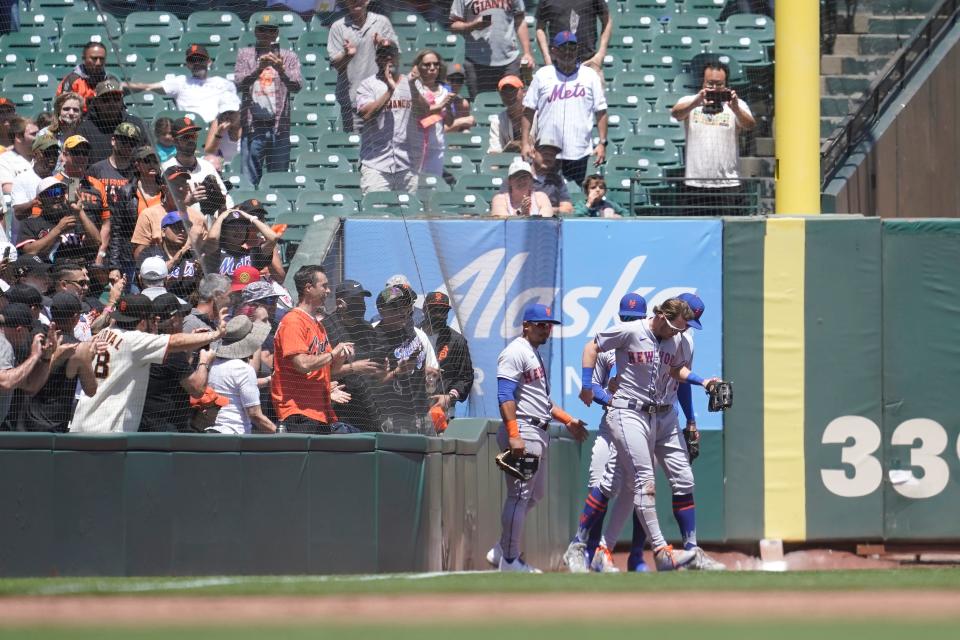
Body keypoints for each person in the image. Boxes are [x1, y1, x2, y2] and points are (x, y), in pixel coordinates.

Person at [577, 297, 724, 571]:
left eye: (685, 327)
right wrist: (588, 386)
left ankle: (610, 552)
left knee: (659, 483)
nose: (680, 332)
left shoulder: (676, 340)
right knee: (615, 484)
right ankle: (586, 548)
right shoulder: (630, 331)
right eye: (678, 326)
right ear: (661, 316)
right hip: (624, 413)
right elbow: (591, 347)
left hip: (657, 417)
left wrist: (702, 382)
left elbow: (675, 372)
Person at [491, 302, 587, 572]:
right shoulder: (514, 352)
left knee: (535, 495)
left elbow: (543, 402)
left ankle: (501, 548)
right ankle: (509, 560)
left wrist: (568, 420)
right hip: (523, 430)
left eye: (549, 326)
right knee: (520, 496)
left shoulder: (533, 353)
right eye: (541, 325)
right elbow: (504, 395)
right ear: (526, 326)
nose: (546, 330)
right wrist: (514, 434)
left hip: (537, 430)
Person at [69, 293, 227, 433]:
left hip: (82, 422)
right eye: (152, 319)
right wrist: (216, 334)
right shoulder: (134, 340)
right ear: (143, 322)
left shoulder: (104, 332)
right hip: (106, 429)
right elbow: (175, 341)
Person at [271, 265, 358, 434]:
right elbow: (302, 364)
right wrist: (332, 354)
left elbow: (330, 369)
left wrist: (340, 356)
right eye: (324, 286)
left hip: (320, 412)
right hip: (298, 412)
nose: (328, 291)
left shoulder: (317, 324)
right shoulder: (293, 322)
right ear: (308, 288)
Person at [522, 31, 608, 187]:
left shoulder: (590, 76)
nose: (568, 52)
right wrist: (525, 143)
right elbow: (528, 110)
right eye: (563, 48)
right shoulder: (542, 75)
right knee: (545, 195)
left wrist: (602, 143)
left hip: (578, 151)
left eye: (572, 48)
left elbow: (601, 111)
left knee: (575, 198)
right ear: (554, 50)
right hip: (547, 152)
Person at [671, 62, 756, 215]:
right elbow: (676, 114)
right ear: (702, 82)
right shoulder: (690, 100)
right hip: (695, 183)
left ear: (726, 84)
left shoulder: (737, 104)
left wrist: (735, 108)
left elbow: (749, 125)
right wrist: (696, 102)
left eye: (719, 84)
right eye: (710, 83)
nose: (715, 88)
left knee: (728, 232)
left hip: (728, 184)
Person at [234, 13, 303, 187]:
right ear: (256, 32)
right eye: (262, 30)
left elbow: (297, 86)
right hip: (253, 125)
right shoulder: (245, 54)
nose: (266, 34)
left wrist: (281, 69)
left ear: (276, 33)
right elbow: (239, 84)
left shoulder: (288, 57)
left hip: (279, 126)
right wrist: (258, 69)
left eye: (271, 30)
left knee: (278, 180)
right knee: (249, 180)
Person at [19, 293, 97, 432]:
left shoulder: (37, 336)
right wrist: (89, 357)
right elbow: (91, 390)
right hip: (53, 428)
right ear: (75, 318)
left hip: (23, 422)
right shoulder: (79, 349)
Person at [370, 283, 440, 434]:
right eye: (395, 307)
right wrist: (397, 372)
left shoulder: (414, 331)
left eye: (405, 306)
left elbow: (432, 367)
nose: (402, 311)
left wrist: (429, 373)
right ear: (382, 311)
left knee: (432, 456)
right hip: (392, 418)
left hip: (422, 413)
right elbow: (371, 387)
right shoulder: (374, 338)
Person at [139, 293, 213, 433]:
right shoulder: (171, 353)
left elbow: (175, 373)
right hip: (166, 430)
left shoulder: (147, 342)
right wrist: (205, 361)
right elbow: (197, 390)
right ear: (174, 319)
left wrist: (189, 347)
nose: (184, 318)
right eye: (182, 315)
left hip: (144, 424)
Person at [321, 279, 384, 432]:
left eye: (362, 299)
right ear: (340, 302)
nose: (361, 304)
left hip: (369, 406)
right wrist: (354, 367)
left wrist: (387, 368)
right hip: (340, 407)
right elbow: (320, 371)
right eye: (355, 300)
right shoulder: (326, 327)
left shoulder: (368, 329)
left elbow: (378, 369)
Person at [356, 43, 419, 195]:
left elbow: (426, 114)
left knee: (411, 216)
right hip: (376, 165)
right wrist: (390, 90)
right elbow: (366, 114)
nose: (389, 57)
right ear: (377, 59)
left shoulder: (411, 83)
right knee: (376, 215)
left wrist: (415, 88)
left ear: (399, 57)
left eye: (392, 53)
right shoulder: (367, 85)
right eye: (384, 54)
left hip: (407, 165)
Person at [124, 44, 240, 125]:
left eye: (201, 59)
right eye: (192, 60)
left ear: (209, 61)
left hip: (217, 130)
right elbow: (148, 86)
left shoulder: (224, 83)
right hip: (190, 129)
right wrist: (121, 85)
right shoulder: (180, 82)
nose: (197, 63)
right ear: (187, 65)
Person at [327, 0, 398, 133]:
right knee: (353, 149)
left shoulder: (382, 22)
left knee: (384, 148)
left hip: (382, 100)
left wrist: (383, 44)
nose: (356, 2)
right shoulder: (338, 27)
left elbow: (396, 58)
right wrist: (347, 55)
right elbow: (337, 65)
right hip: (352, 102)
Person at [449, 0, 535, 100]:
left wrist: (527, 53)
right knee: (479, 106)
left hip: (509, 60)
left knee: (514, 105)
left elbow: (520, 19)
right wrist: (473, 25)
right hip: (476, 63)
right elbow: (453, 26)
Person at [206, 315, 277, 434]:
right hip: (234, 436)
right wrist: (279, 434)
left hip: (212, 431)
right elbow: (255, 414)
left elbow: (234, 389)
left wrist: (268, 381)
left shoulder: (214, 363)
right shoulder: (243, 369)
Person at [131, 166, 209, 264]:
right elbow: (138, 254)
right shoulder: (149, 214)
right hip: (159, 272)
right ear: (164, 188)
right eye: (175, 185)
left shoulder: (198, 217)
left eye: (183, 184)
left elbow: (208, 252)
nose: (180, 188)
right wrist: (153, 247)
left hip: (190, 273)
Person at [19, 175, 102, 264]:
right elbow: (28, 253)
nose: (58, 196)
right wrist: (58, 229)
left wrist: (80, 211)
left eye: (61, 191)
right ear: (40, 200)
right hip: (47, 273)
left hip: (78, 271)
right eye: (52, 193)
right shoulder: (30, 223)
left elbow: (97, 242)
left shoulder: (74, 220)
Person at [160, 117, 232, 215]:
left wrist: (222, 206)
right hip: (180, 226)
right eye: (185, 137)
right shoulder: (166, 168)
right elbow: (162, 207)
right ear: (175, 141)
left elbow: (226, 199)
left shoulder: (207, 167)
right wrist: (189, 201)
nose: (190, 140)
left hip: (208, 226)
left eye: (193, 136)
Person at [0, 303, 57, 427]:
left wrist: (46, 357)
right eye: (29, 330)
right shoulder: (3, 344)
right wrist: (34, 355)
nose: (29, 336)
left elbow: (30, 386)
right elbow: (5, 382)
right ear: (20, 329)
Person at [420, 291, 474, 418]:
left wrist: (450, 397)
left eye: (443, 311)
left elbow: (466, 377)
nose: (439, 314)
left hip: (442, 411)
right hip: (412, 408)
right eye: (434, 309)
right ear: (424, 309)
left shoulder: (456, 340)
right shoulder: (413, 335)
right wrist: (421, 370)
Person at [75, 80, 149, 165]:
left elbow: (146, 155)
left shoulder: (136, 124)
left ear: (121, 101)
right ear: (96, 102)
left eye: (116, 99)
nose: (112, 103)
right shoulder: (85, 128)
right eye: (106, 100)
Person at [535, 0, 612, 74]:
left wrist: (600, 55)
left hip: (588, 64)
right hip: (556, 66)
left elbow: (607, 21)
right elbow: (540, 28)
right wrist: (547, 59)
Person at [9, 134, 59, 242]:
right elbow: (18, 213)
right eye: (48, 153)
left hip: (53, 242)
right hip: (26, 242)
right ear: (36, 154)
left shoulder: (59, 178)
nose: (52, 158)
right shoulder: (22, 179)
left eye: (55, 154)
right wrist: (35, 202)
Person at [203, 205, 279, 278]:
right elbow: (212, 238)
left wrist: (250, 217)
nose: (238, 230)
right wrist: (221, 217)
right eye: (233, 227)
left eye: (242, 227)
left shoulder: (252, 255)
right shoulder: (215, 253)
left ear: (247, 232)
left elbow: (273, 238)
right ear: (224, 231)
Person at [410, 48, 450, 180]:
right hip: (414, 148)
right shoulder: (414, 89)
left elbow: (449, 122)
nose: (432, 68)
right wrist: (440, 108)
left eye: (436, 64)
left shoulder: (445, 91)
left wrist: (447, 109)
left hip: (436, 149)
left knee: (432, 188)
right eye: (427, 65)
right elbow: (419, 116)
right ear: (418, 67)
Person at [488, 75, 534, 154]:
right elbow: (493, 153)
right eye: (504, 92)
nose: (509, 95)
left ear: (524, 92)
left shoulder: (536, 116)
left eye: (513, 90)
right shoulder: (497, 121)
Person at [0, 117, 38, 196]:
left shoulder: (43, 156)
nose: (39, 137)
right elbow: (8, 189)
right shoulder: (5, 160)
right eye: (34, 134)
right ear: (18, 137)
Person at [442, 63, 475, 134]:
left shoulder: (463, 104)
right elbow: (437, 131)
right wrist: (462, 121)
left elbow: (466, 128)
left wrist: (466, 130)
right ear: (445, 80)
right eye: (452, 79)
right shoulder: (438, 101)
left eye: (459, 80)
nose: (455, 84)